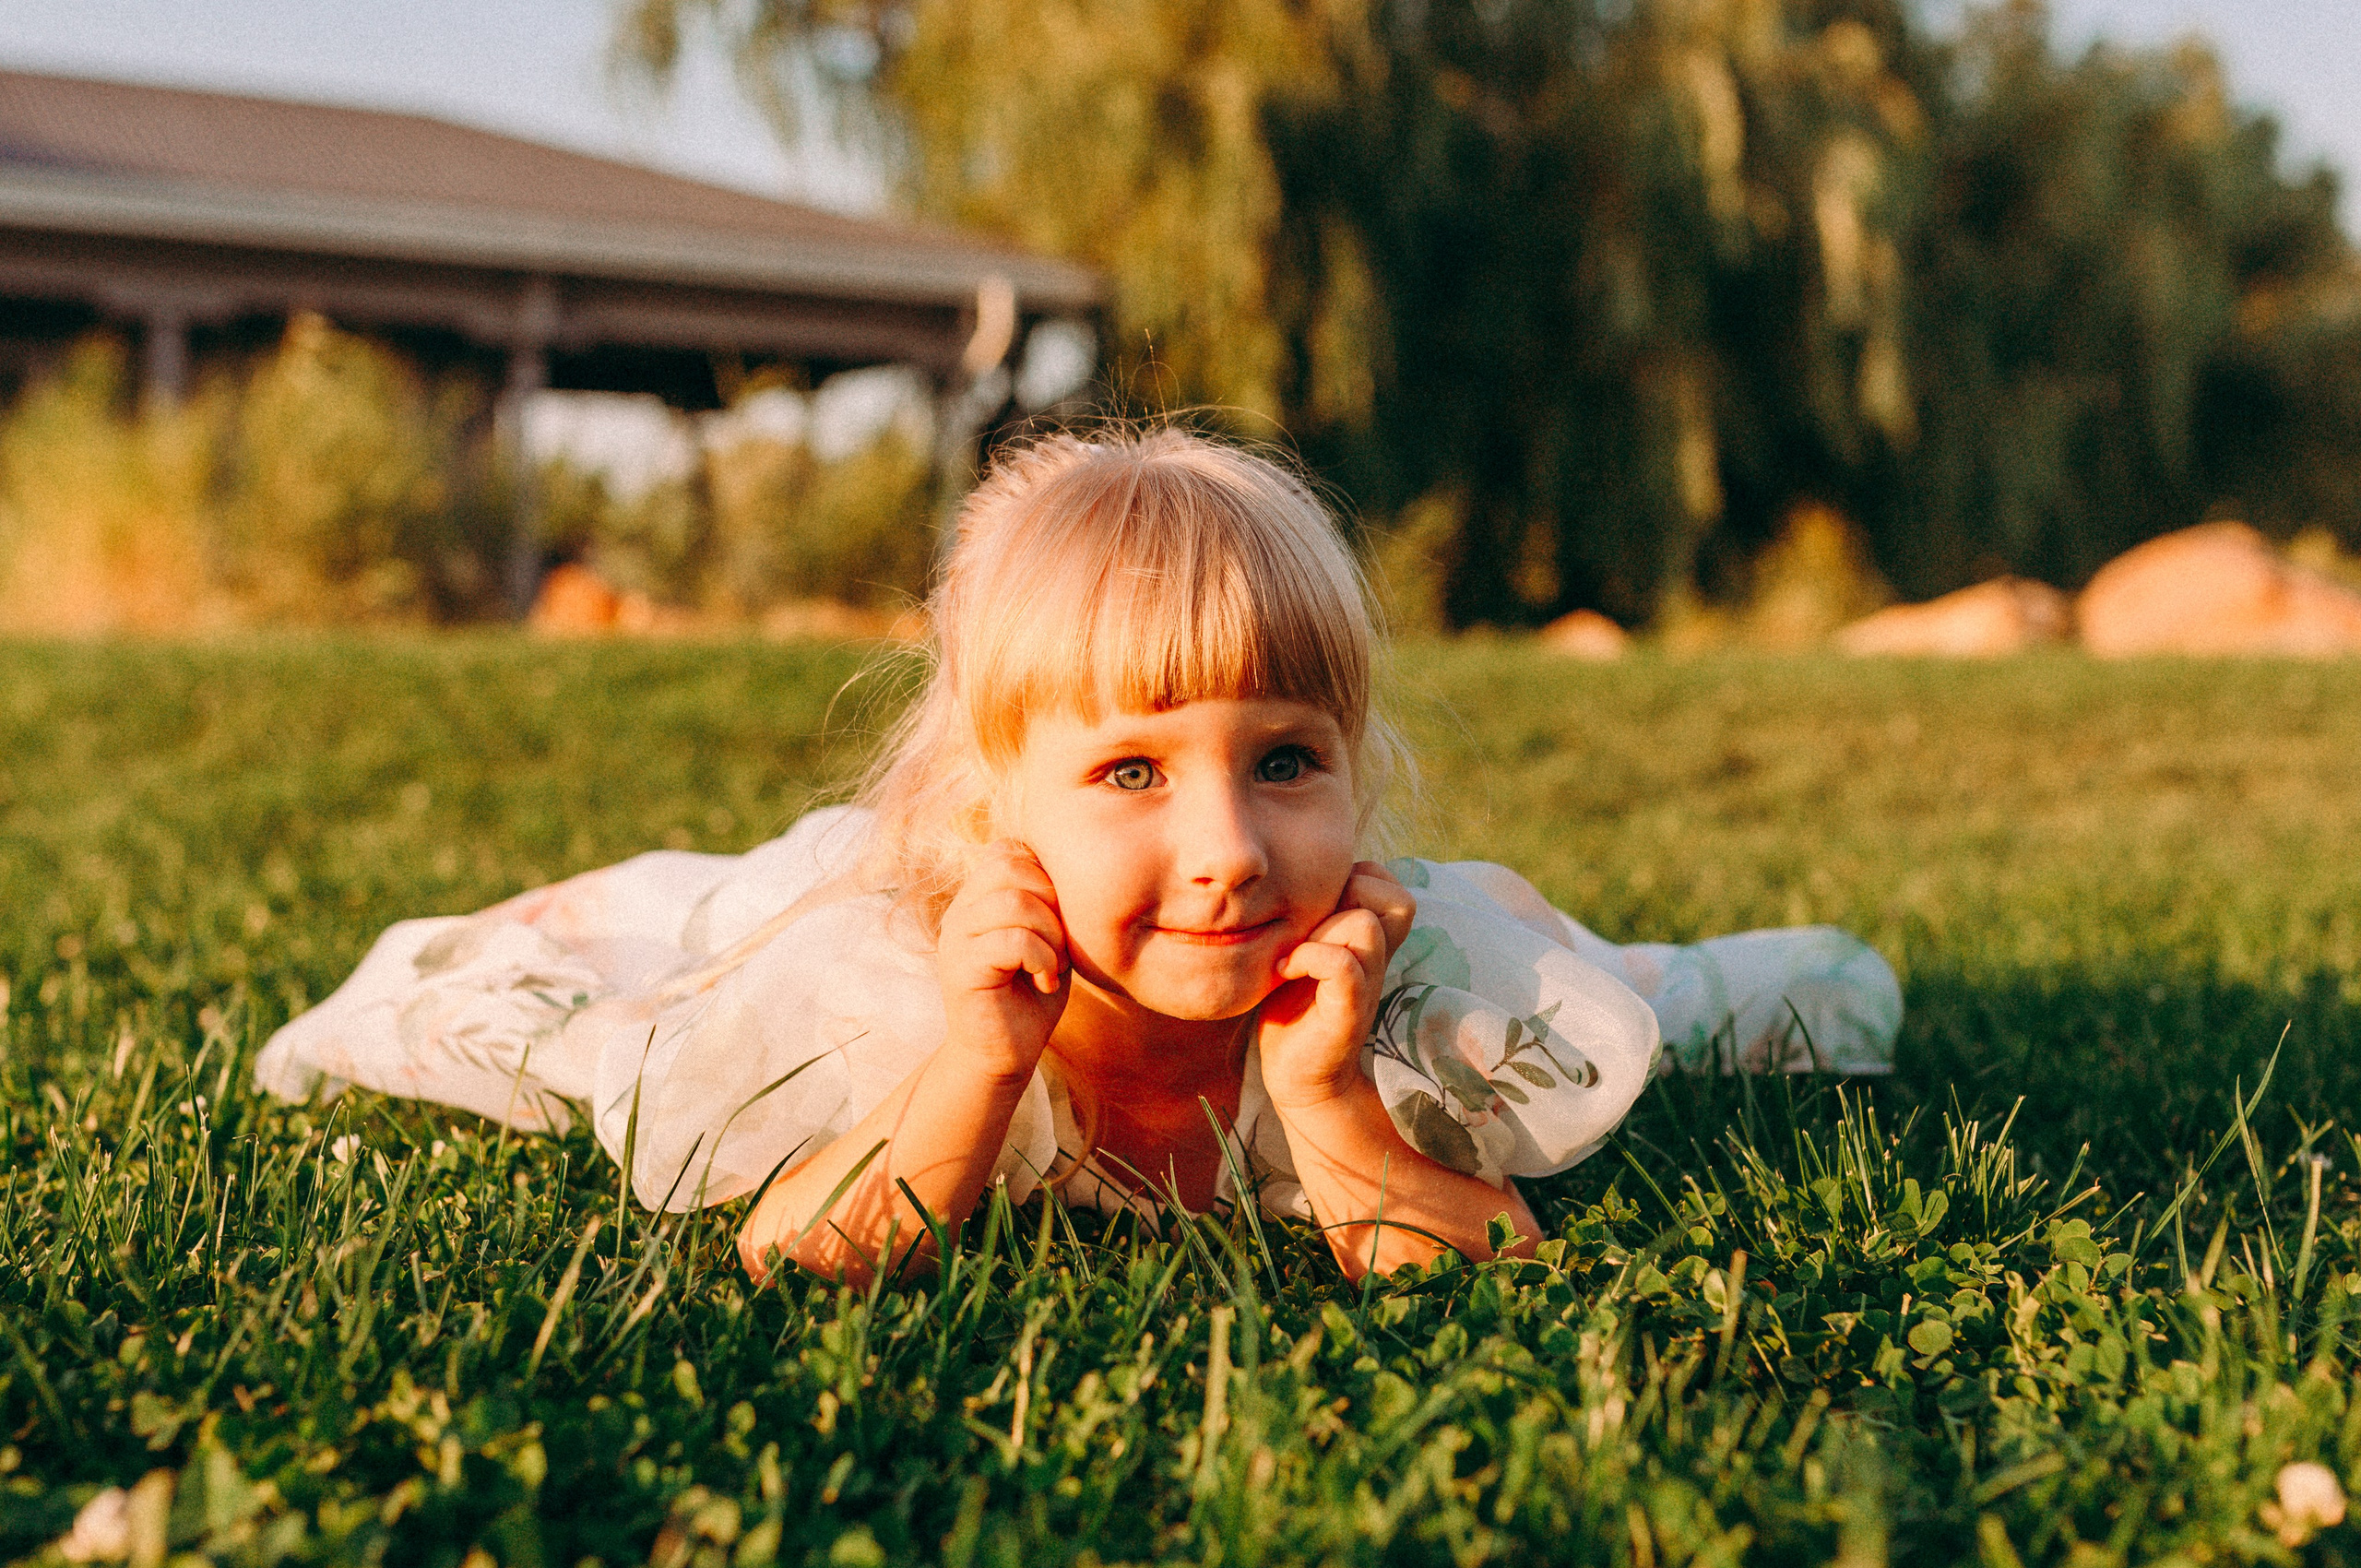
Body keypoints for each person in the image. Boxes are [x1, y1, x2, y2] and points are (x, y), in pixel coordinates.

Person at [257, 428, 1900, 1285]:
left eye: (1285, 763)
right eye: (1130, 768)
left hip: (1417, 1007)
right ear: (997, 816)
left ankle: (1696, 970)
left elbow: (1475, 1263)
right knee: (627, 972)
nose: (1231, 851)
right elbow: (796, 1258)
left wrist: (1327, 1105)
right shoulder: (909, 995)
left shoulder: (1397, 986)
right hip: (876, 948)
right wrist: (976, 1072)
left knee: (1672, 1006)